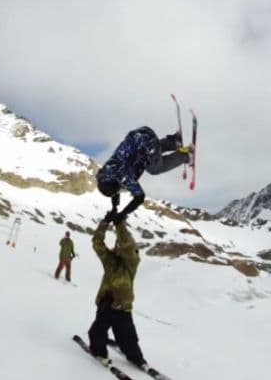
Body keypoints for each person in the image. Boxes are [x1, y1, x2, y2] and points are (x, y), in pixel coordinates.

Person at [87, 210, 148, 369]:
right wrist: (105, 222)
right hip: (106, 304)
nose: (121, 248)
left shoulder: (131, 263)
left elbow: (128, 245)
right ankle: (99, 351)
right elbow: (97, 242)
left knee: (128, 339)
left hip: (122, 307)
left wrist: (119, 223)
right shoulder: (110, 260)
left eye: (123, 246)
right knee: (96, 333)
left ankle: (136, 358)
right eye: (118, 246)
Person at [96, 127, 191, 222]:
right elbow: (114, 189)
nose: (120, 190)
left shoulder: (123, 176)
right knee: (147, 156)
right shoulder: (105, 172)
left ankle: (185, 156)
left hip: (147, 144)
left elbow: (140, 197)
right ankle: (174, 142)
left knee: (154, 168)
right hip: (141, 134)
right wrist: (114, 208)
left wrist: (123, 214)